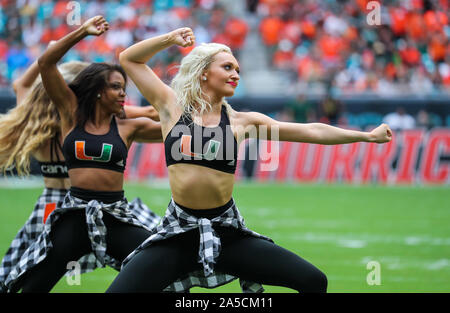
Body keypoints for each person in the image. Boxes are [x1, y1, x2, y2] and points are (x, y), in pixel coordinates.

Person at [106, 27, 393, 293]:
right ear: (204, 72)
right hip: (177, 234)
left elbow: (311, 129)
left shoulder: (242, 122)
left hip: (227, 234)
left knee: (314, 281)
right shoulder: (171, 107)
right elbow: (129, 59)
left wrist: (365, 136)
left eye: (238, 69)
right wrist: (169, 39)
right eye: (227, 67)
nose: (236, 74)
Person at [1, 16, 164, 293]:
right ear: (96, 91)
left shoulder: (121, 122)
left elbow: (162, 118)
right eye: (115, 87)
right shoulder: (69, 114)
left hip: (104, 211)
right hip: (69, 210)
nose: (122, 93)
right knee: (30, 279)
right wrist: (80, 32)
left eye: (123, 87)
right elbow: (46, 65)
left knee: (159, 265)